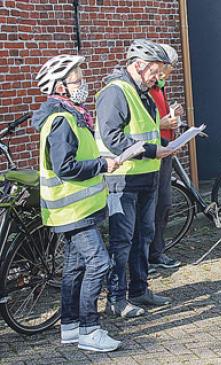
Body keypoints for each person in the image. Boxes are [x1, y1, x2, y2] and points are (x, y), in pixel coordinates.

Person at [33, 55, 121, 351]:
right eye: (77, 80)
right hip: (72, 210)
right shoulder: (61, 121)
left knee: (76, 267)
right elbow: (65, 168)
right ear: (60, 87)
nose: (83, 84)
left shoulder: (72, 115)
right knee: (99, 262)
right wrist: (102, 165)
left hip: (77, 209)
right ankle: (89, 330)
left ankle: (70, 327)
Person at [95, 39, 175, 318]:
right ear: (138, 65)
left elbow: (147, 130)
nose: (158, 76)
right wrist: (152, 150)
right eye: (154, 70)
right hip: (123, 180)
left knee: (144, 236)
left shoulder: (143, 91)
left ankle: (139, 289)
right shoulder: (116, 92)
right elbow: (112, 137)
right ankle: (116, 298)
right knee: (122, 241)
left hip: (146, 177)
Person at [148, 43, 183, 272]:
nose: (166, 74)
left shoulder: (159, 87)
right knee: (154, 206)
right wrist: (160, 124)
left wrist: (172, 116)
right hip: (152, 153)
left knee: (163, 204)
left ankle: (156, 252)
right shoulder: (146, 88)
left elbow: (159, 116)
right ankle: (151, 254)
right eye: (168, 69)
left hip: (164, 148)